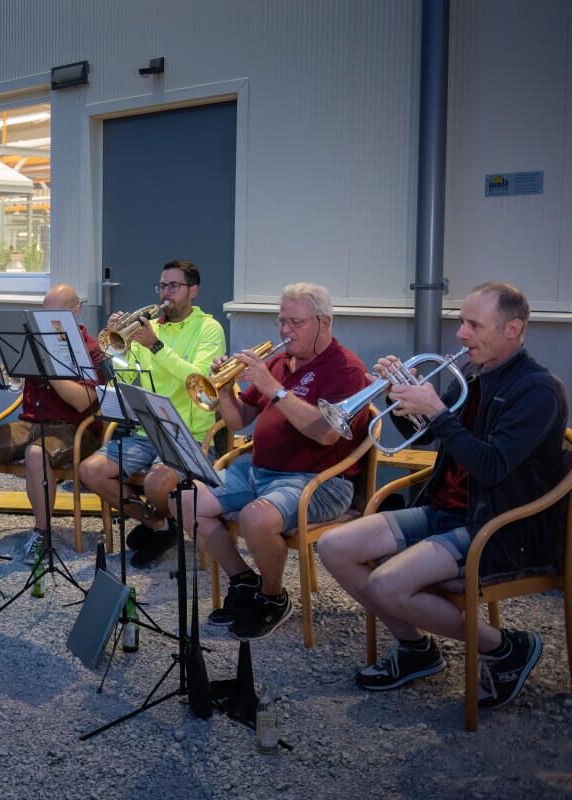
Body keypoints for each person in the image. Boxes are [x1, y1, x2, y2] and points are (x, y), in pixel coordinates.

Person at [318, 283, 566, 708]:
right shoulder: (474, 372)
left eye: (474, 325)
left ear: (512, 329)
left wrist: (436, 409)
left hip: (494, 525)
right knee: (333, 547)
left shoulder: (538, 391)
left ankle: (505, 647)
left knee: (387, 584)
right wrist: (403, 400)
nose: (461, 334)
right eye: (461, 322)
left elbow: (490, 466)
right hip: (443, 511)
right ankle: (415, 648)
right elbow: (428, 435)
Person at [172, 282, 370, 640]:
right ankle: (244, 581)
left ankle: (274, 597)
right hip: (258, 471)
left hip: (319, 481)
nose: (285, 331)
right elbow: (238, 420)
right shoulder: (279, 361)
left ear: (324, 322)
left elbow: (326, 433)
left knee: (256, 517)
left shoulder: (346, 370)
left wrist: (274, 389)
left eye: (296, 322)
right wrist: (226, 389)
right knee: (185, 498)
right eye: (282, 321)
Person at [78, 260, 226, 567]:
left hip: (188, 435)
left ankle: (159, 523)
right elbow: (127, 379)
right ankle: (159, 525)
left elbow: (198, 380)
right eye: (162, 286)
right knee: (90, 471)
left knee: (156, 484)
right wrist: (119, 349)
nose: (165, 293)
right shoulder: (149, 329)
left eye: (174, 286)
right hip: (146, 430)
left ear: (193, 291)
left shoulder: (209, 328)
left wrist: (156, 346)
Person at [0, 285, 105, 562]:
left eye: (55, 314)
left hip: (74, 428)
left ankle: (43, 533)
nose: (47, 320)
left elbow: (83, 401)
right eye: (44, 312)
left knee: (35, 454)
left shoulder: (90, 349)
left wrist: (46, 365)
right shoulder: (34, 339)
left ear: (76, 311)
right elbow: (16, 381)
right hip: (32, 422)